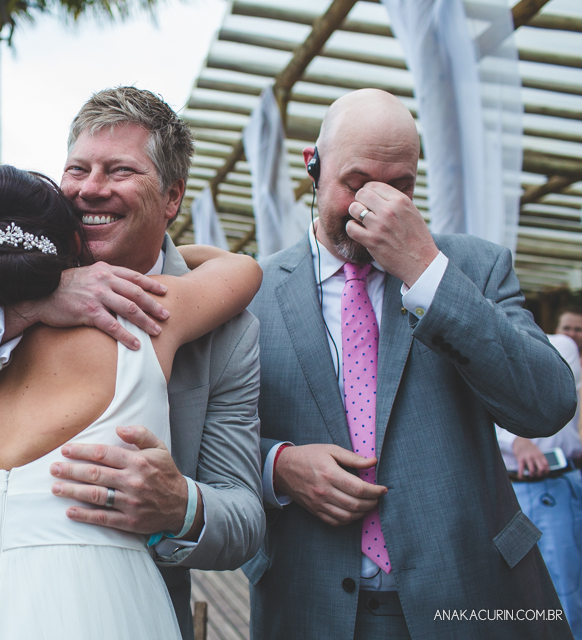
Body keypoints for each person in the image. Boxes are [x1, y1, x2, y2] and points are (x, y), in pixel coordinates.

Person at [0, 87, 264, 640]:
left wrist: (181, 507)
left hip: (125, 609)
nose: (91, 188)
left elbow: (244, 519)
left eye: (120, 170)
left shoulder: (225, 327)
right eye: (77, 169)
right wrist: (33, 303)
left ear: (172, 197)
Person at [243, 89, 576, 639]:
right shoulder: (250, 294)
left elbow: (547, 405)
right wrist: (276, 467)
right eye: (356, 183)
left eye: (399, 186)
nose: (374, 205)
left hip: (473, 600)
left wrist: (427, 272)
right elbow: (206, 438)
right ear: (313, 166)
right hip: (309, 606)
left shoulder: (475, 267)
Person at [497, 333, 582, 638]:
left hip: (552, 484)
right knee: (508, 590)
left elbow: (551, 403)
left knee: (564, 588)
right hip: (504, 487)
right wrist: (513, 440)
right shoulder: (473, 342)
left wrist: (519, 439)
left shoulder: (559, 345)